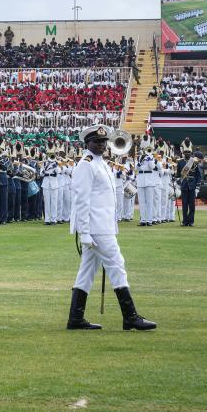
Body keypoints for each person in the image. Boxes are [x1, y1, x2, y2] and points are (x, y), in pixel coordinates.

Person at [67, 125, 156, 332]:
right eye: (97, 142)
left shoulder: (102, 164)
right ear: (87, 143)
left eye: (103, 142)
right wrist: (85, 232)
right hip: (96, 228)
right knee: (117, 265)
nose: (101, 145)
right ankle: (130, 316)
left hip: (103, 225)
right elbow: (81, 201)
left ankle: (75, 318)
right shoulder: (86, 165)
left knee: (86, 271)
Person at [177, 152, 202, 227]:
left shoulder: (195, 162)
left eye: (188, 152)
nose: (187, 153)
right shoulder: (180, 162)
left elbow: (198, 176)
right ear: (183, 153)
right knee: (184, 204)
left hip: (192, 185)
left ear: (190, 153)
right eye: (186, 152)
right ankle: (185, 221)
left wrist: (197, 187)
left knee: (192, 205)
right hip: (184, 185)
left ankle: (191, 221)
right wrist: (177, 184)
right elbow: (178, 175)